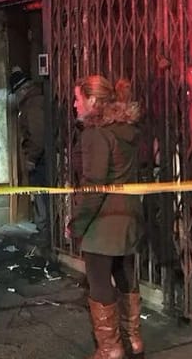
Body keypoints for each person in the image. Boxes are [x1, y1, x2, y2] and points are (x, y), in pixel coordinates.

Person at [68, 75, 144, 359]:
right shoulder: (127, 129)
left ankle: (110, 349)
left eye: (78, 98)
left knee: (99, 283)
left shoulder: (96, 134)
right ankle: (133, 340)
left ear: (92, 101)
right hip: (129, 218)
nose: (75, 104)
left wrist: (77, 224)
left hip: (104, 222)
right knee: (125, 277)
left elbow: (93, 187)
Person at [9, 67, 49, 251]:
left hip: (41, 159)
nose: (16, 97)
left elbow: (39, 135)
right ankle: (44, 230)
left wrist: (31, 157)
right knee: (41, 195)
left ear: (22, 90)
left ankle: (45, 232)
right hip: (42, 157)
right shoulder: (34, 102)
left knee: (42, 195)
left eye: (16, 93)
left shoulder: (33, 104)